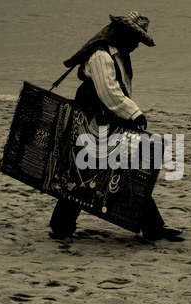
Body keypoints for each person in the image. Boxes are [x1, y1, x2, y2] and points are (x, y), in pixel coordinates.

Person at [49, 11, 182, 241]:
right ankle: (152, 228)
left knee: (90, 173)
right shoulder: (101, 56)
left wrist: (128, 115)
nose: (136, 46)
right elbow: (110, 92)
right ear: (123, 34)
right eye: (135, 40)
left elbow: (118, 91)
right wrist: (135, 114)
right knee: (101, 173)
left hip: (102, 124)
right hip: (92, 124)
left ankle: (62, 226)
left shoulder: (115, 55)